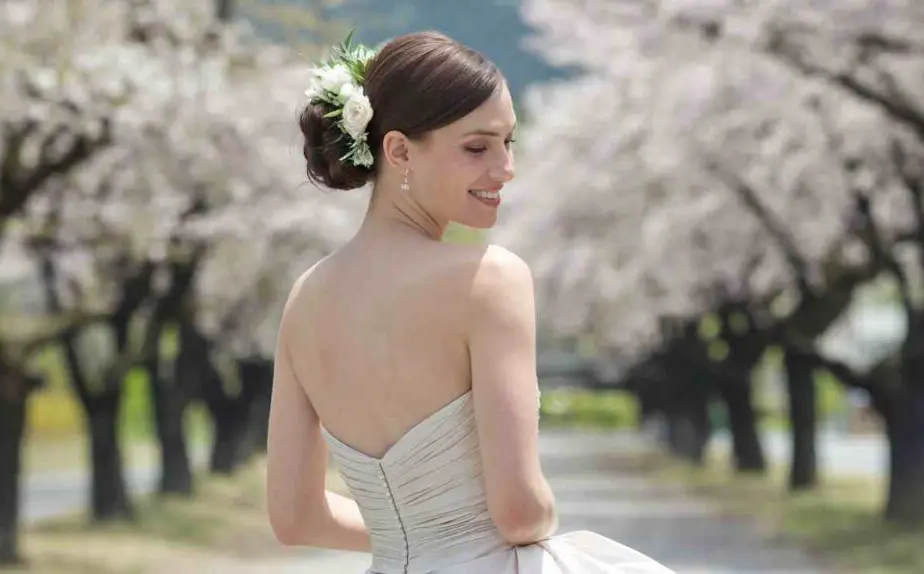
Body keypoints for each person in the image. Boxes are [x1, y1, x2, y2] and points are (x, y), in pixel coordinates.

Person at [265, 30, 675, 573]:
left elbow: (295, 517)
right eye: (477, 147)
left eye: (509, 142)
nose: (505, 168)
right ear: (399, 150)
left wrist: (415, 540)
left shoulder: (305, 299)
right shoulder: (489, 279)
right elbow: (519, 513)